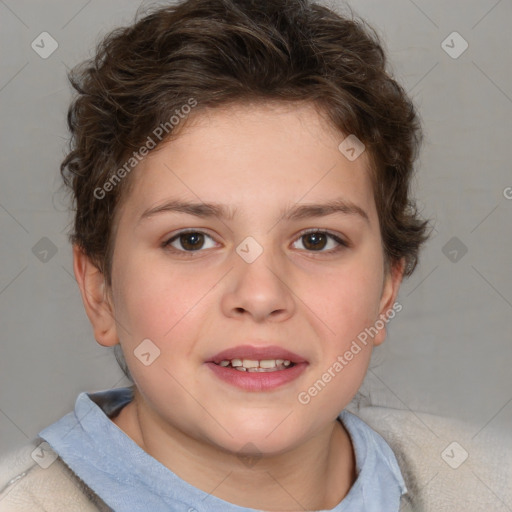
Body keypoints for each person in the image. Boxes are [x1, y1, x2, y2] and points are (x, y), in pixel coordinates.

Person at [4, 0, 508, 510]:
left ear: (386, 291)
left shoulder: (487, 481)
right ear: (99, 291)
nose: (261, 295)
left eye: (317, 240)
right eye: (191, 240)